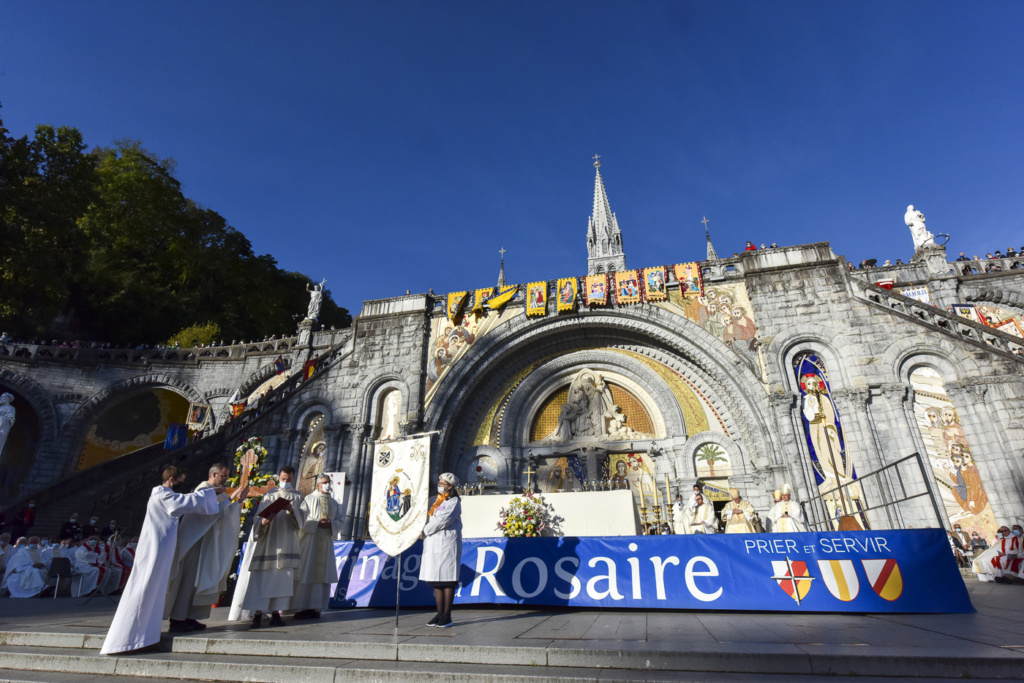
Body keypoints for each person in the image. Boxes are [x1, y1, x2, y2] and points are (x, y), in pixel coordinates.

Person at [100, 465, 220, 655]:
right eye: (180, 481)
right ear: (171, 480)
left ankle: (145, 635)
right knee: (146, 588)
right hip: (154, 550)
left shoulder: (164, 495)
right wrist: (212, 493)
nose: (181, 485)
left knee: (154, 590)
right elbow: (185, 502)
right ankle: (128, 639)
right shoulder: (162, 495)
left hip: (161, 549)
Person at [164, 463, 248, 632]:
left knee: (198, 581)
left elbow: (224, 514)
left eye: (227, 476)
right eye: (223, 476)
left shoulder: (219, 493)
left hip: (207, 543)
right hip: (194, 542)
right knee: (188, 581)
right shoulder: (204, 489)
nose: (226, 479)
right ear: (214, 474)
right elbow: (207, 514)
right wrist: (230, 499)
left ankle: (190, 616)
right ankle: (178, 618)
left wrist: (238, 502)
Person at [233, 466, 305, 628]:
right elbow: (258, 518)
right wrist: (263, 522)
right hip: (268, 542)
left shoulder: (297, 496)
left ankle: (276, 614)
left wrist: (291, 510)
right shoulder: (269, 495)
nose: (285, 482)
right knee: (262, 579)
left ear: (293, 478)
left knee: (281, 580)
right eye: (283, 479)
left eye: (288, 479)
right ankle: (257, 614)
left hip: (286, 542)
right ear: (279, 477)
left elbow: (301, 521)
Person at [293, 474, 346, 619]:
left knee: (322, 575)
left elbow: (340, 520)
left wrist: (331, 524)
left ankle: (315, 607)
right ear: (318, 485)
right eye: (324, 482)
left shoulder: (333, 503)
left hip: (326, 541)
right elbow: (302, 518)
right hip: (310, 542)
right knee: (307, 572)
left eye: (329, 482)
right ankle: (301, 608)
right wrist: (317, 523)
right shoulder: (309, 499)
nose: (327, 485)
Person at [419, 472, 462, 628]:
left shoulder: (454, 502)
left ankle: (447, 615)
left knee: (447, 580)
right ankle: (439, 613)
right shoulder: (434, 500)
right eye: (439, 483)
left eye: (442, 483)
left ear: (450, 486)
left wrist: (424, 530)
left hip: (446, 544)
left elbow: (443, 520)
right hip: (433, 544)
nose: (439, 485)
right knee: (436, 581)